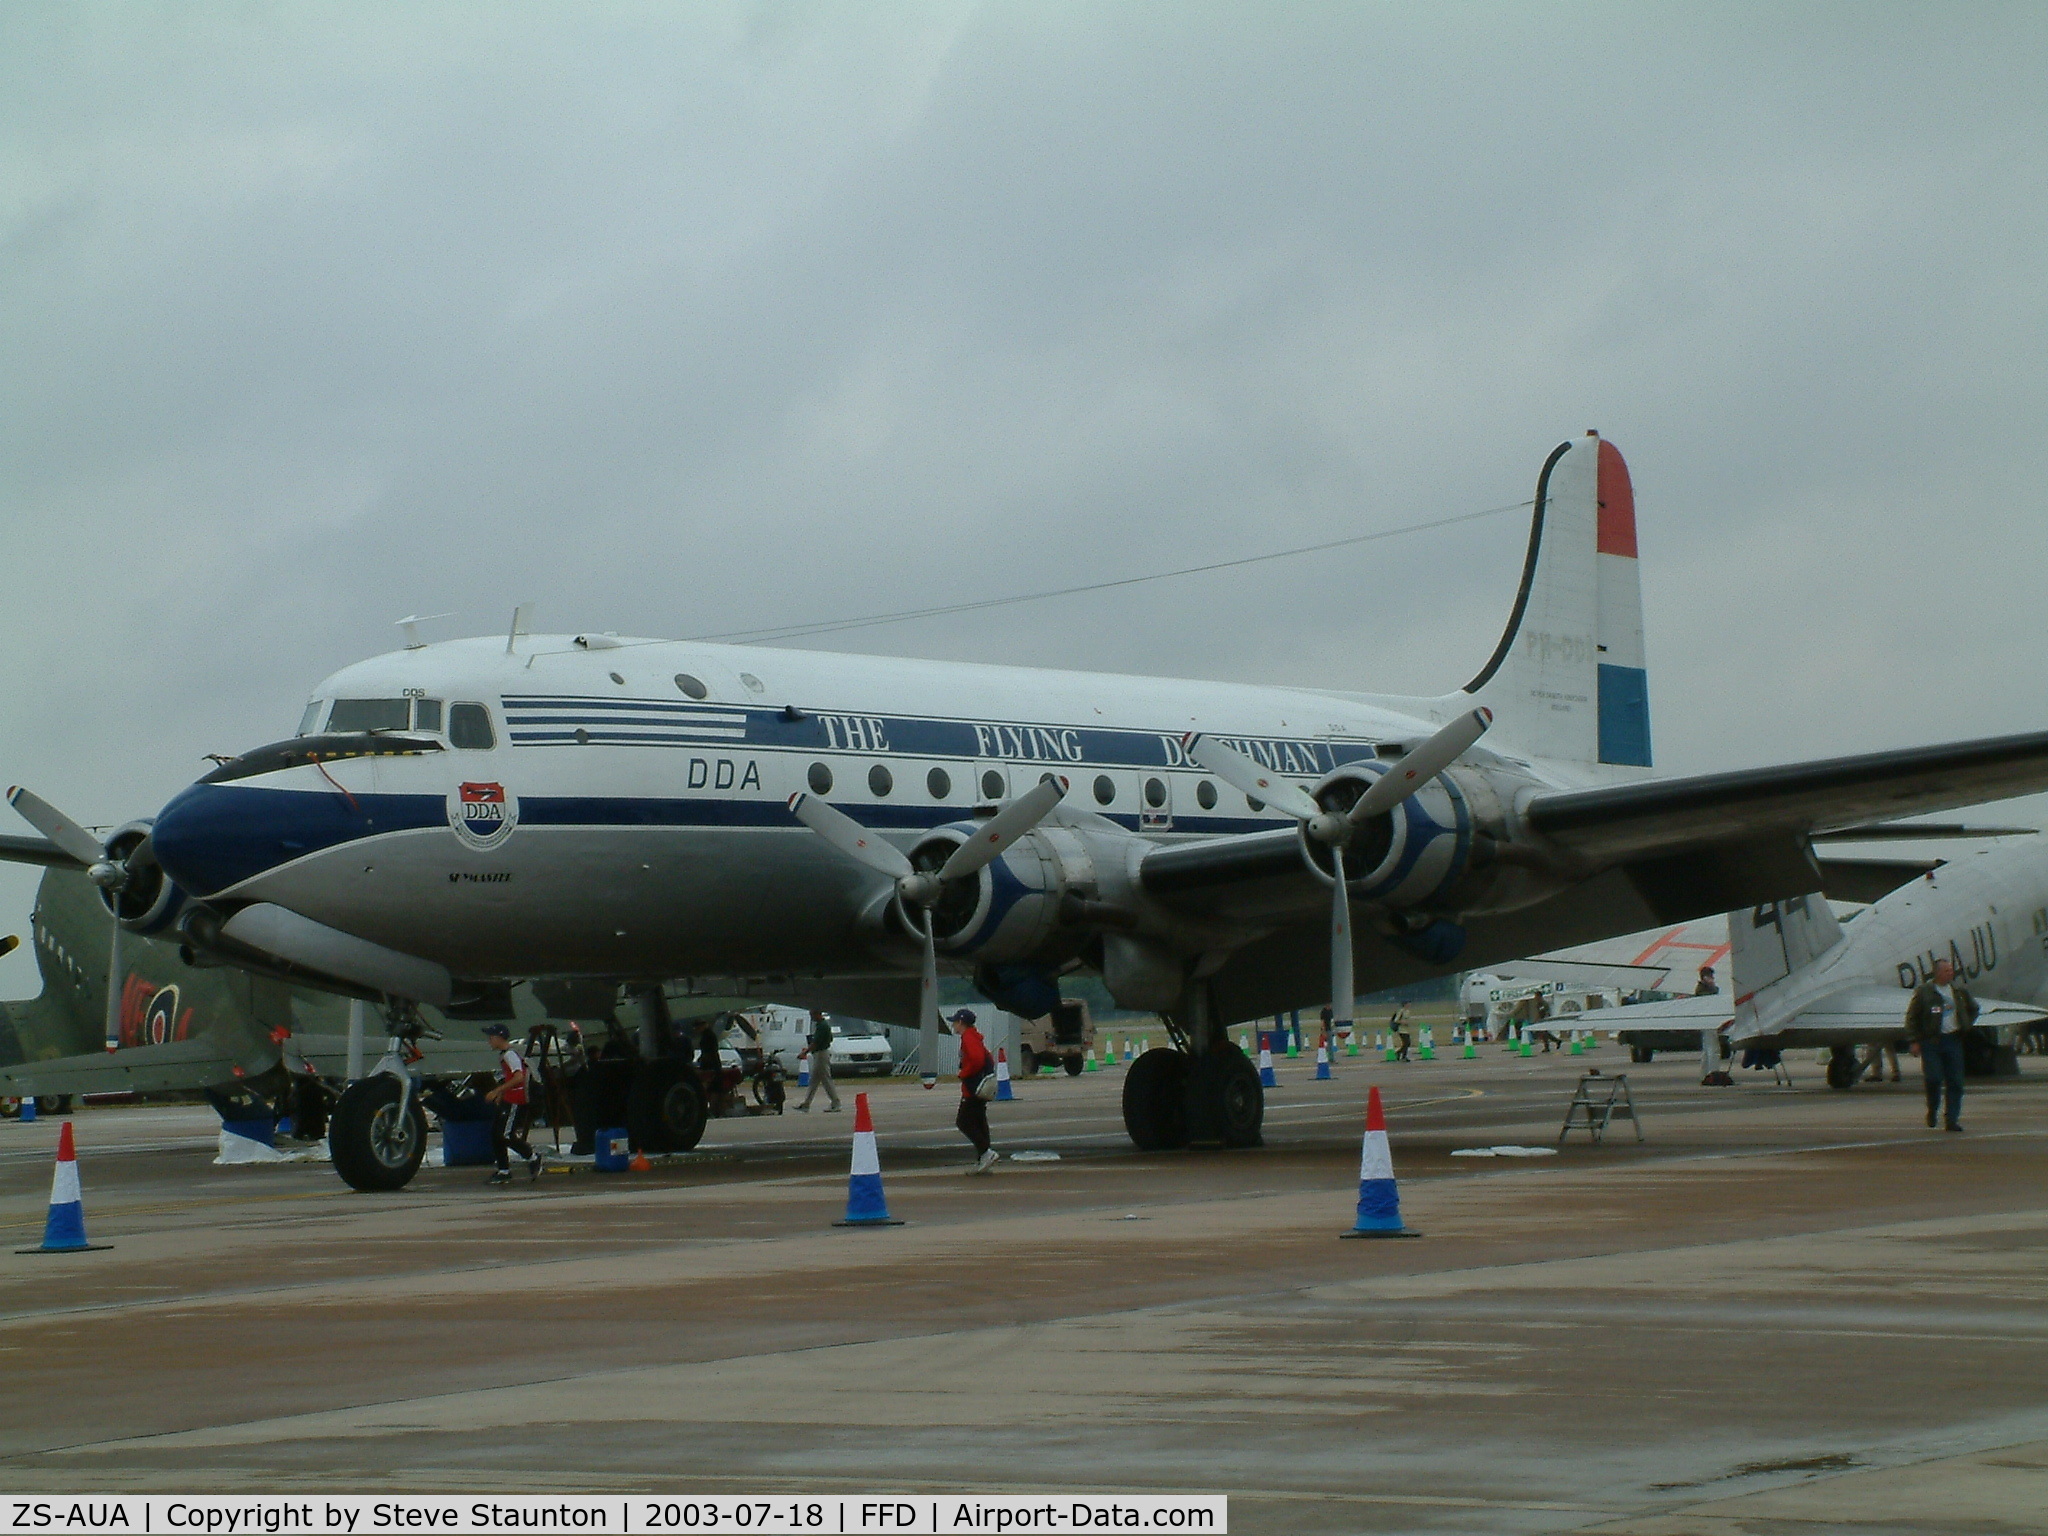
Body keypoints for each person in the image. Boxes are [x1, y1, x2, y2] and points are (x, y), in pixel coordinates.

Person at [1903, 957, 1977, 1132]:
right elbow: (1912, 1017)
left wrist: (1965, 1024)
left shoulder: (1958, 991)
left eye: (1951, 970)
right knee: (1934, 1078)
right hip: (1932, 1042)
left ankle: (1951, 1119)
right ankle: (1932, 1108)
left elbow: (1973, 1008)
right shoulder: (1925, 992)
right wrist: (1914, 1040)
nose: (1950, 973)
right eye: (1946, 971)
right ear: (1937, 973)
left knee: (1956, 1082)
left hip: (1953, 1041)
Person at [482, 1023, 540, 1185]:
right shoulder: (504, 1055)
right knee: (496, 1134)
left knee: (505, 1134)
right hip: (508, 1098)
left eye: (491, 1037)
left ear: (499, 1038)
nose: (489, 1041)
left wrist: (497, 1090)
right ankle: (503, 1170)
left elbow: (518, 1077)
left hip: (516, 1099)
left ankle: (532, 1156)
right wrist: (501, 1094)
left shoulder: (510, 1055)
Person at [951, 1008, 997, 1174]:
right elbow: (988, 1058)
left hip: (972, 1089)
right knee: (979, 1121)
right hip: (980, 1087)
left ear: (961, 1022)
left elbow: (977, 1059)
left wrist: (964, 1073)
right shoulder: (975, 1036)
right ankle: (983, 1160)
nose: (953, 1025)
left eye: (955, 1021)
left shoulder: (968, 1037)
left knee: (963, 1122)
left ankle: (986, 1152)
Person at [795, 1010, 841, 1112]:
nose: (811, 1017)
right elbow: (830, 1038)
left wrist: (805, 1052)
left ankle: (835, 1102)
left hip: (821, 1054)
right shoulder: (823, 1025)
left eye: (812, 1015)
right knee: (814, 1081)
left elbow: (815, 1043)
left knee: (826, 1079)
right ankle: (806, 1103)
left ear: (817, 1014)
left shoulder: (822, 1026)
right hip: (820, 1053)